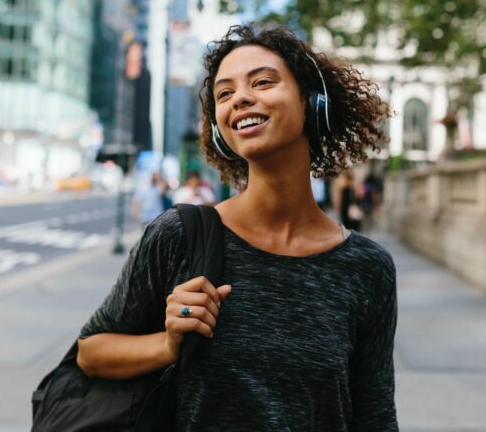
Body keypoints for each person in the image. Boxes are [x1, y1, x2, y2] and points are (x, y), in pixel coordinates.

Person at [77, 23, 398, 431]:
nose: (241, 98)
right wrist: (169, 343)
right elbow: (91, 352)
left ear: (312, 102)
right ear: (220, 128)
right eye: (224, 94)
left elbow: (375, 415)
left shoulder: (368, 267)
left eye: (263, 82)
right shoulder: (179, 235)